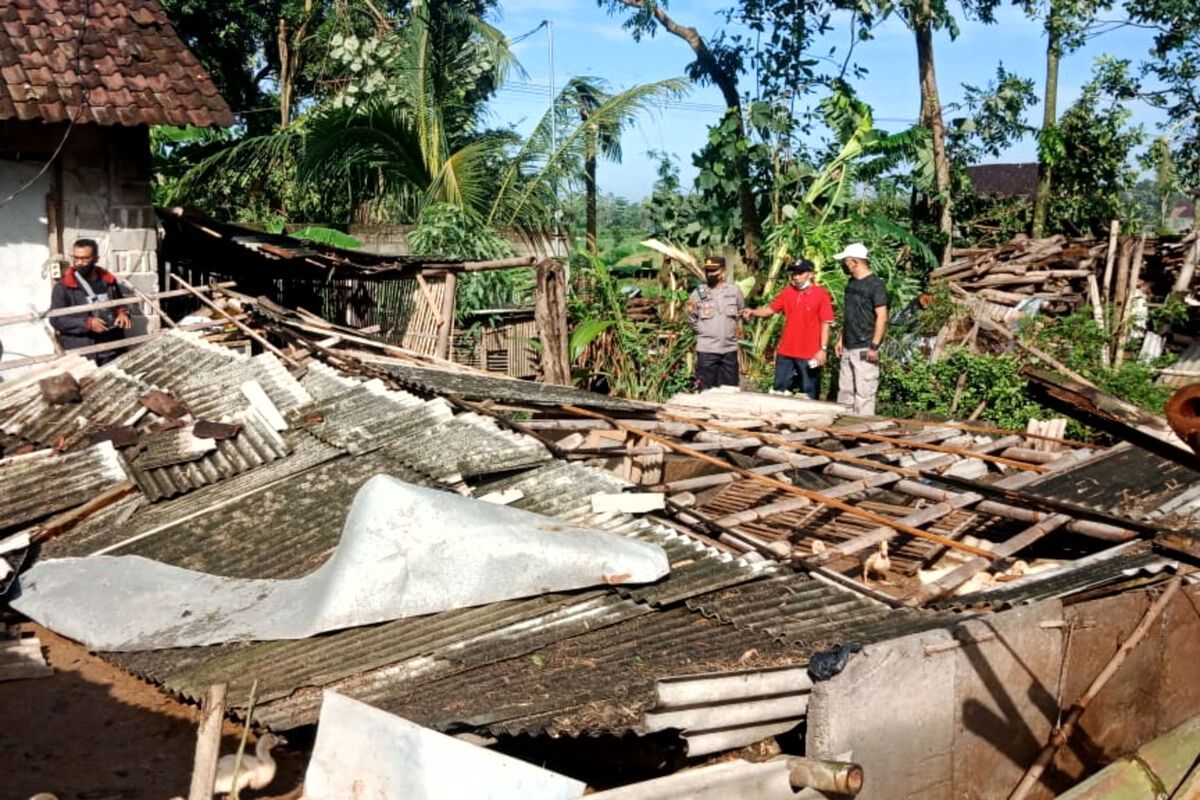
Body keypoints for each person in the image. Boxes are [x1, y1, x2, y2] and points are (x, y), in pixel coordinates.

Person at [742, 258, 834, 399]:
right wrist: (752, 312)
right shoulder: (788, 292)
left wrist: (823, 349)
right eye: (794, 273)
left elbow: (825, 323)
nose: (796, 277)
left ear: (811, 274)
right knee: (779, 392)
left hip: (809, 353)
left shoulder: (821, 294)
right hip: (786, 352)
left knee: (809, 394)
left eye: (800, 273)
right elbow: (770, 310)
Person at [49, 239, 132, 365]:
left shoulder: (109, 281)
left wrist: (123, 313)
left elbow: (120, 303)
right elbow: (56, 320)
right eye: (76, 258)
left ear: (96, 259)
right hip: (84, 352)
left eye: (85, 258)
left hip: (113, 348)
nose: (79, 263)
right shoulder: (63, 287)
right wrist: (86, 324)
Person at [833, 242, 888, 415]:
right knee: (845, 392)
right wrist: (841, 339)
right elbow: (849, 315)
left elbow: (882, 317)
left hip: (865, 347)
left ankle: (863, 427)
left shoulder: (876, 285)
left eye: (845, 261)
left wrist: (874, 346)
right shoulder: (851, 284)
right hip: (848, 346)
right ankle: (843, 426)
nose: (844, 265)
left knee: (864, 393)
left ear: (854, 261)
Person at [687, 255, 744, 389]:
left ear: (723, 271)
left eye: (714, 270)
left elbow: (739, 313)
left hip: (729, 350)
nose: (710, 274)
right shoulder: (698, 294)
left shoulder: (734, 291)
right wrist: (705, 333)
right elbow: (691, 318)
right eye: (708, 270)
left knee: (730, 391)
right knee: (705, 391)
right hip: (707, 351)